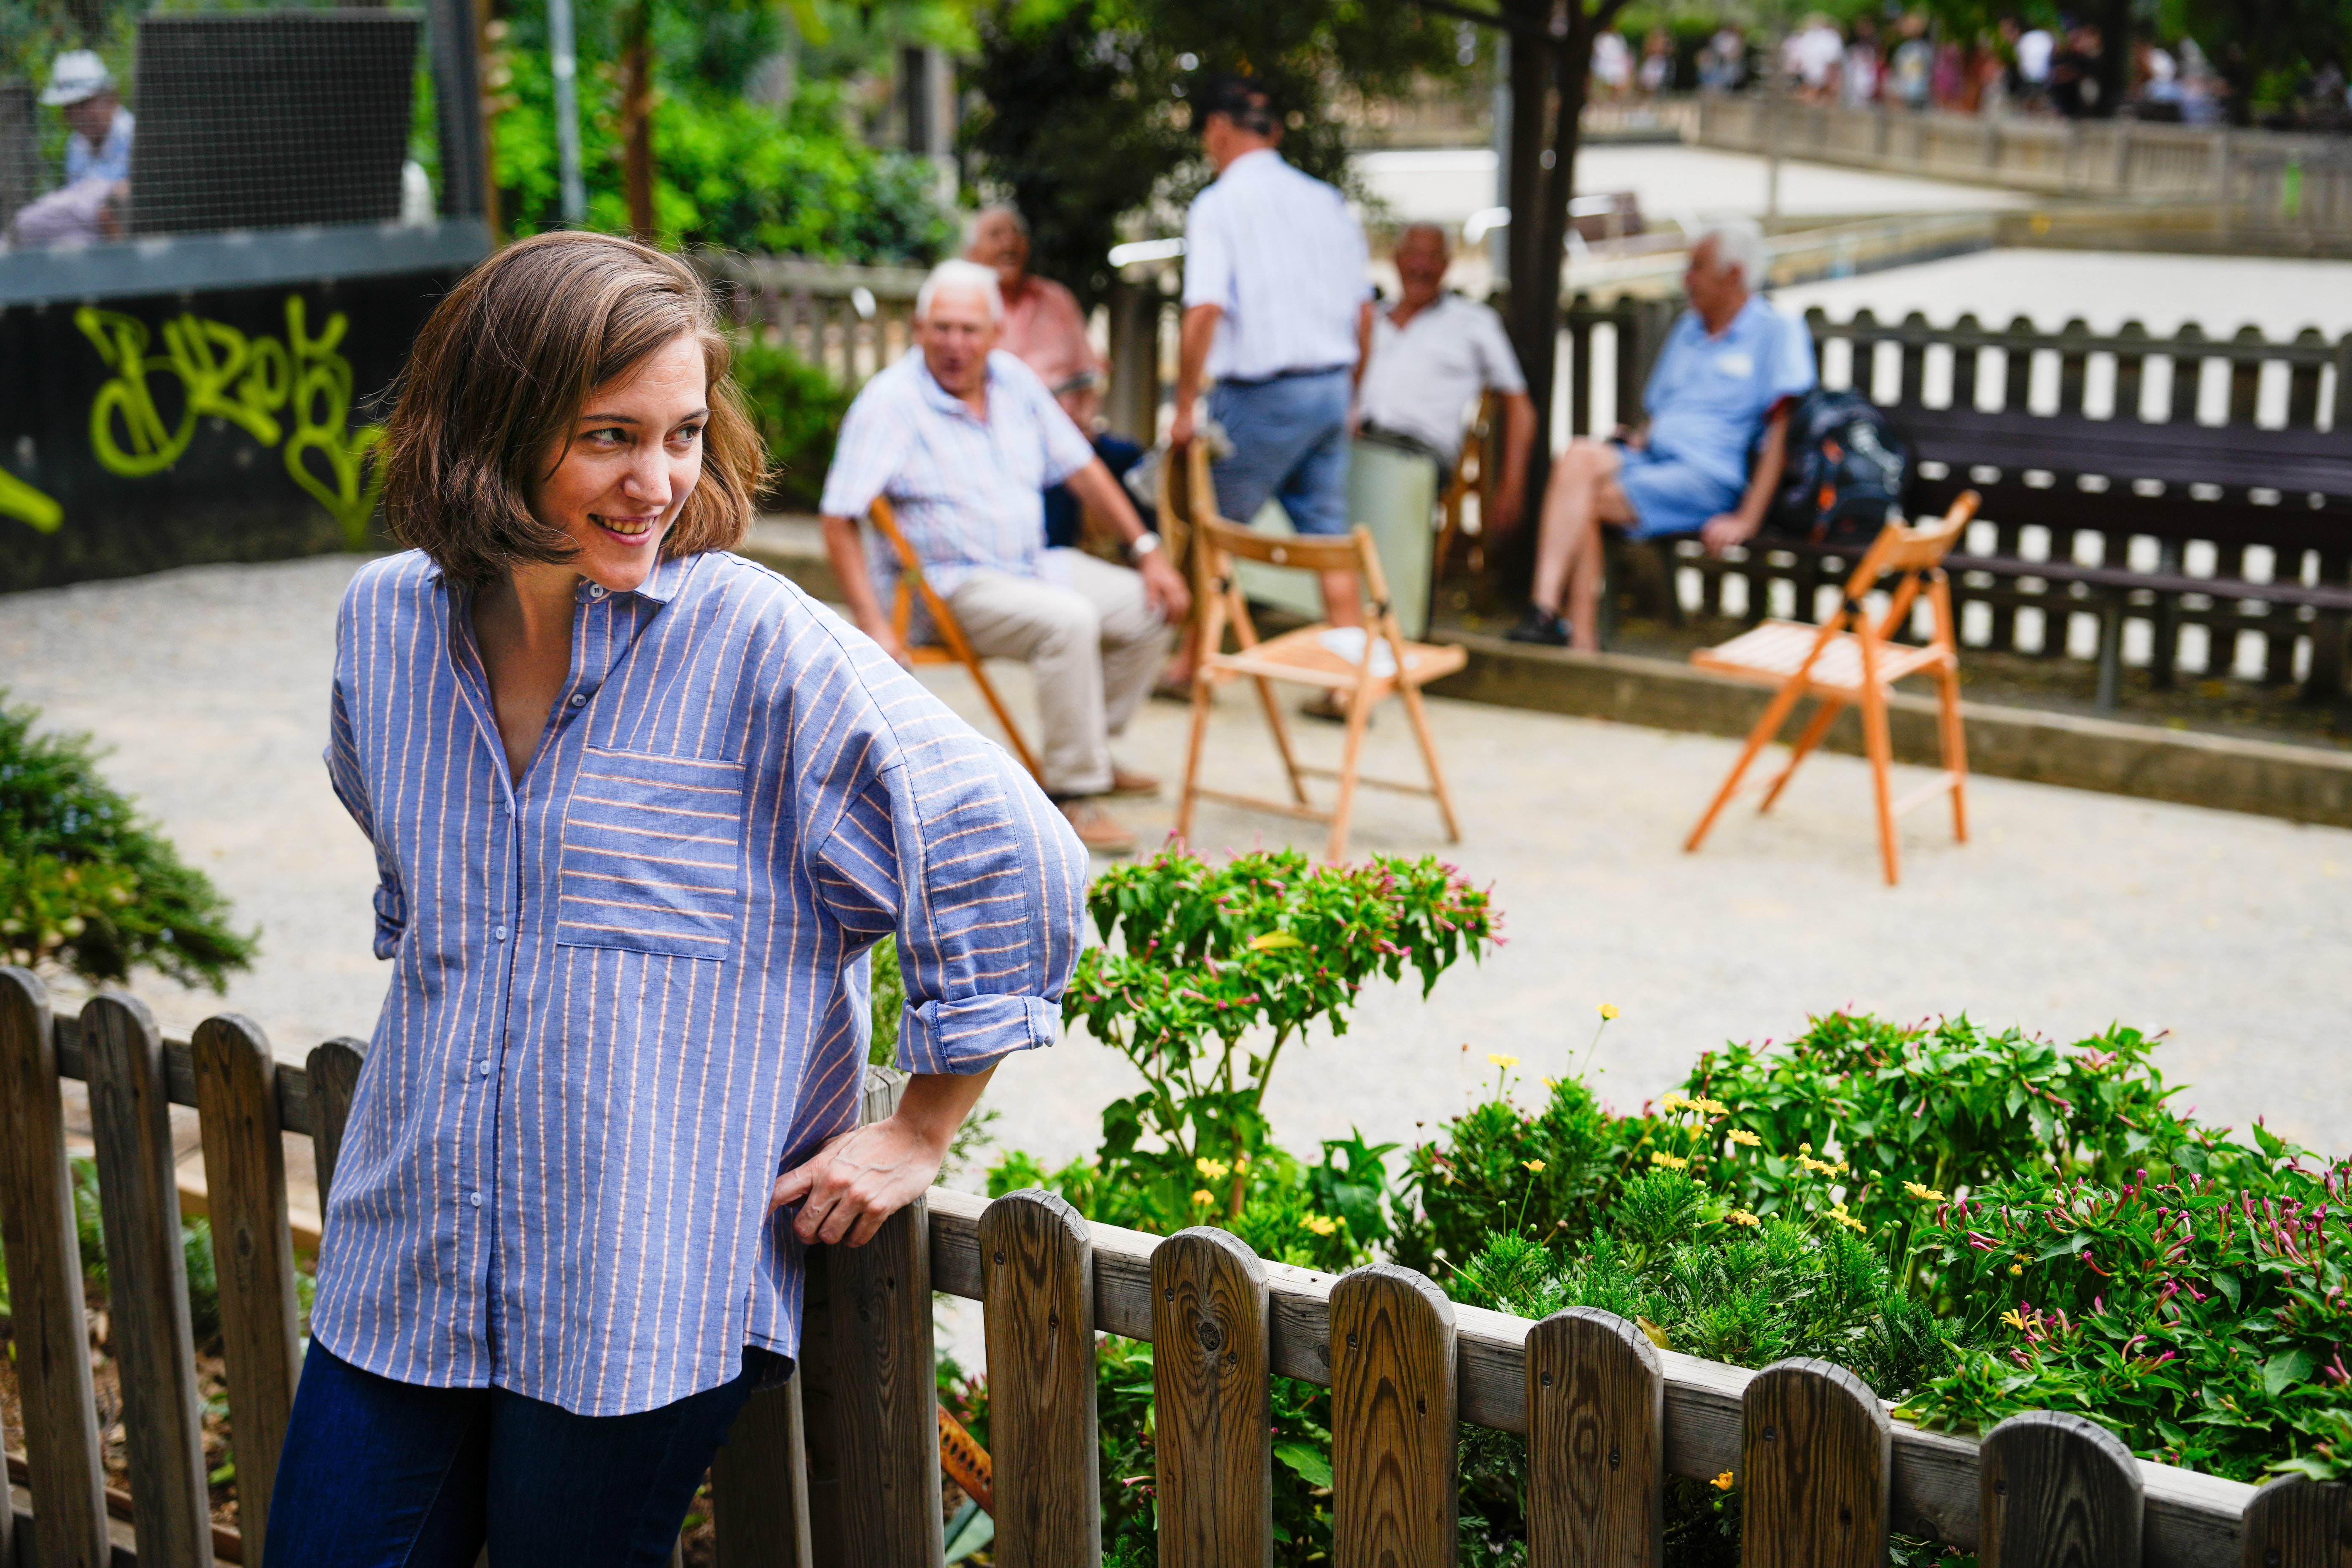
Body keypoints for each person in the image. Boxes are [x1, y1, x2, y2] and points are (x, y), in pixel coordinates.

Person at [264, 231, 1089, 1567]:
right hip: (402, 1264)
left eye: (683, 434)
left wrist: (922, 1125)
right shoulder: (382, 629)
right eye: (608, 436)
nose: (655, 483)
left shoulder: (757, 645)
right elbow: (413, 887)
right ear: (492, 426)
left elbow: (1007, 847)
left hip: (637, 1300)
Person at [819, 259, 1190, 855]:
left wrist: (1148, 552)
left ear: (996, 334)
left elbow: (1084, 470)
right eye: (942, 328)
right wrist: (873, 625)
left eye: (970, 330)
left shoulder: (1015, 381)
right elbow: (839, 516)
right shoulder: (890, 401)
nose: (955, 344)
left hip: (1033, 566)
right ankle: (1073, 791)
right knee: (1068, 622)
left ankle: (1087, 748)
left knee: (1150, 606)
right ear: (918, 329)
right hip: (949, 587)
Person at [1509, 219, 1815, 650]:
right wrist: (1634, 438)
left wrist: (1746, 518)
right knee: (1579, 455)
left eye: (1696, 268)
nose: (1685, 279)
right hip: (1654, 459)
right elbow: (1662, 409)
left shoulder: (1776, 331)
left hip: (1708, 477)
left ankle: (1580, 640)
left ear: (1733, 275)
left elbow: (1783, 431)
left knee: (1588, 502)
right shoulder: (1688, 329)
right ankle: (1542, 612)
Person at [1170, 73, 1373, 698]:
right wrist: (1352, 393)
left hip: (1261, 395)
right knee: (1328, 532)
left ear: (1218, 130)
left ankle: (1191, 668)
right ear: (1277, 132)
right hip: (1329, 387)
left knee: (1208, 529)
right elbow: (1364, 313)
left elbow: (1204, 310)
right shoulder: (1327, 200)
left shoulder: (1219, 204)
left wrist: (1182, 406)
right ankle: (1352, 680)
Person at [964, 205, 1153, 552]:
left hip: (1071, 433)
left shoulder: (1056, 299)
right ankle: (1056, 571)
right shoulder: (968, 312)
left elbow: (1090, 373)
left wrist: (1083, 417)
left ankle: (1152, 562)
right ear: (972, 254)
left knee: (1138, 467)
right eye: (996, 235)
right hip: (1009, 447)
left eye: (1016, 234)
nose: (1010, 243)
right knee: (1061, 482)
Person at [1356, 222, 1535, 540]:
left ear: (1447, 266)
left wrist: (1512, 488)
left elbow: (1520, 407)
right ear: (1396, 260)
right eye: (1414, 255)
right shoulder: (1372, 319)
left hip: (1418, 452)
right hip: (1355, 442)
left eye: (1433, 257)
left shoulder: (1473, 322)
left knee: (1353, 476)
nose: (1422, 266)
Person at [8, 50, 134, 248]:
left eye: (83, 104)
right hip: (90, 233)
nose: (76, 115)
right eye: (69, 107)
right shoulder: (76, 145)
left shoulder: (134, 136)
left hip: (126, 234)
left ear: (111, 99)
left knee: (25, 224)